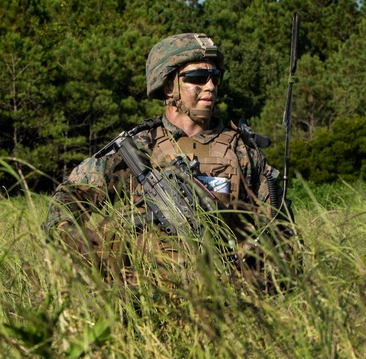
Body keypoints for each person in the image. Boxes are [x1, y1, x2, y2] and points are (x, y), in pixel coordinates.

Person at [44, 33, 295, 282]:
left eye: (214, 77)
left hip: (224, 294)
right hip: (142, 298)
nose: (209, 86)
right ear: (168, 86)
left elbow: (282, 236)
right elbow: (70, 196)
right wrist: (79, 243)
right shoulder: (138, 148)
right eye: (197, 78)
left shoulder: (243, 152)